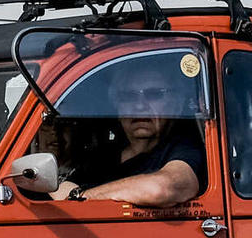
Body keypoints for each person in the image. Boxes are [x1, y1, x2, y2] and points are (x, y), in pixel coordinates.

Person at [52, 55, 204, 207]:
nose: (139, 106)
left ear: (177, 106)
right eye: (127, 97)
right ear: (117, 108)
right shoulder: (102, 156)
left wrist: (84, 196)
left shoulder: (185, 148)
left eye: (154, 94)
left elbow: (162, 188)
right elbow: (60, 190)